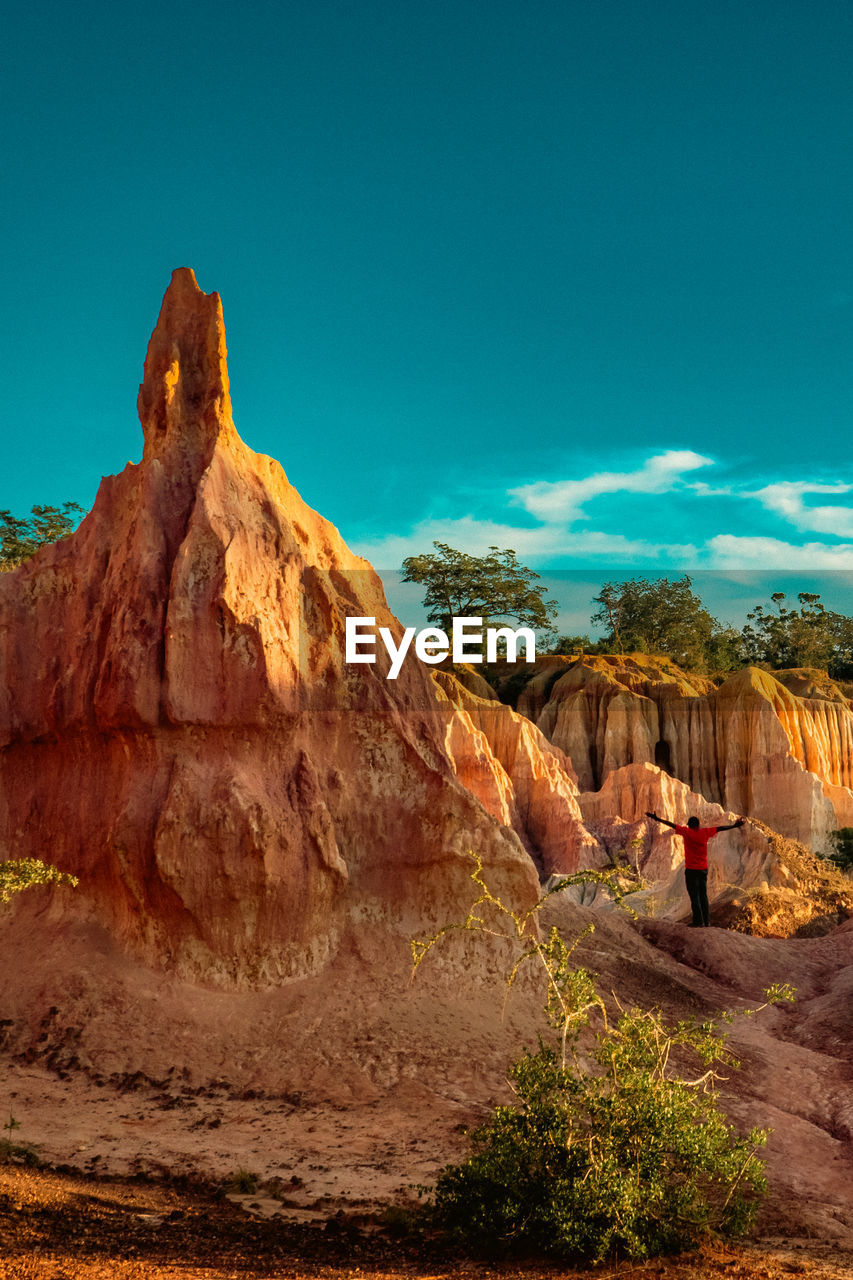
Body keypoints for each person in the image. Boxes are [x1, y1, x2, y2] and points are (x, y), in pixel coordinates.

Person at [645, 811, 745, 928]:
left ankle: (698, 921)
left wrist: (657, 819)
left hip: (691, 870)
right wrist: (735, 825)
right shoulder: (705, 832)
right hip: (703, 869)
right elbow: (720, 828)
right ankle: (706, 921)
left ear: (689, 825)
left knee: (694, 896)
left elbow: (671, 824)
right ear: (698, 825)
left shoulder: (686, 832)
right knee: (703, 895)